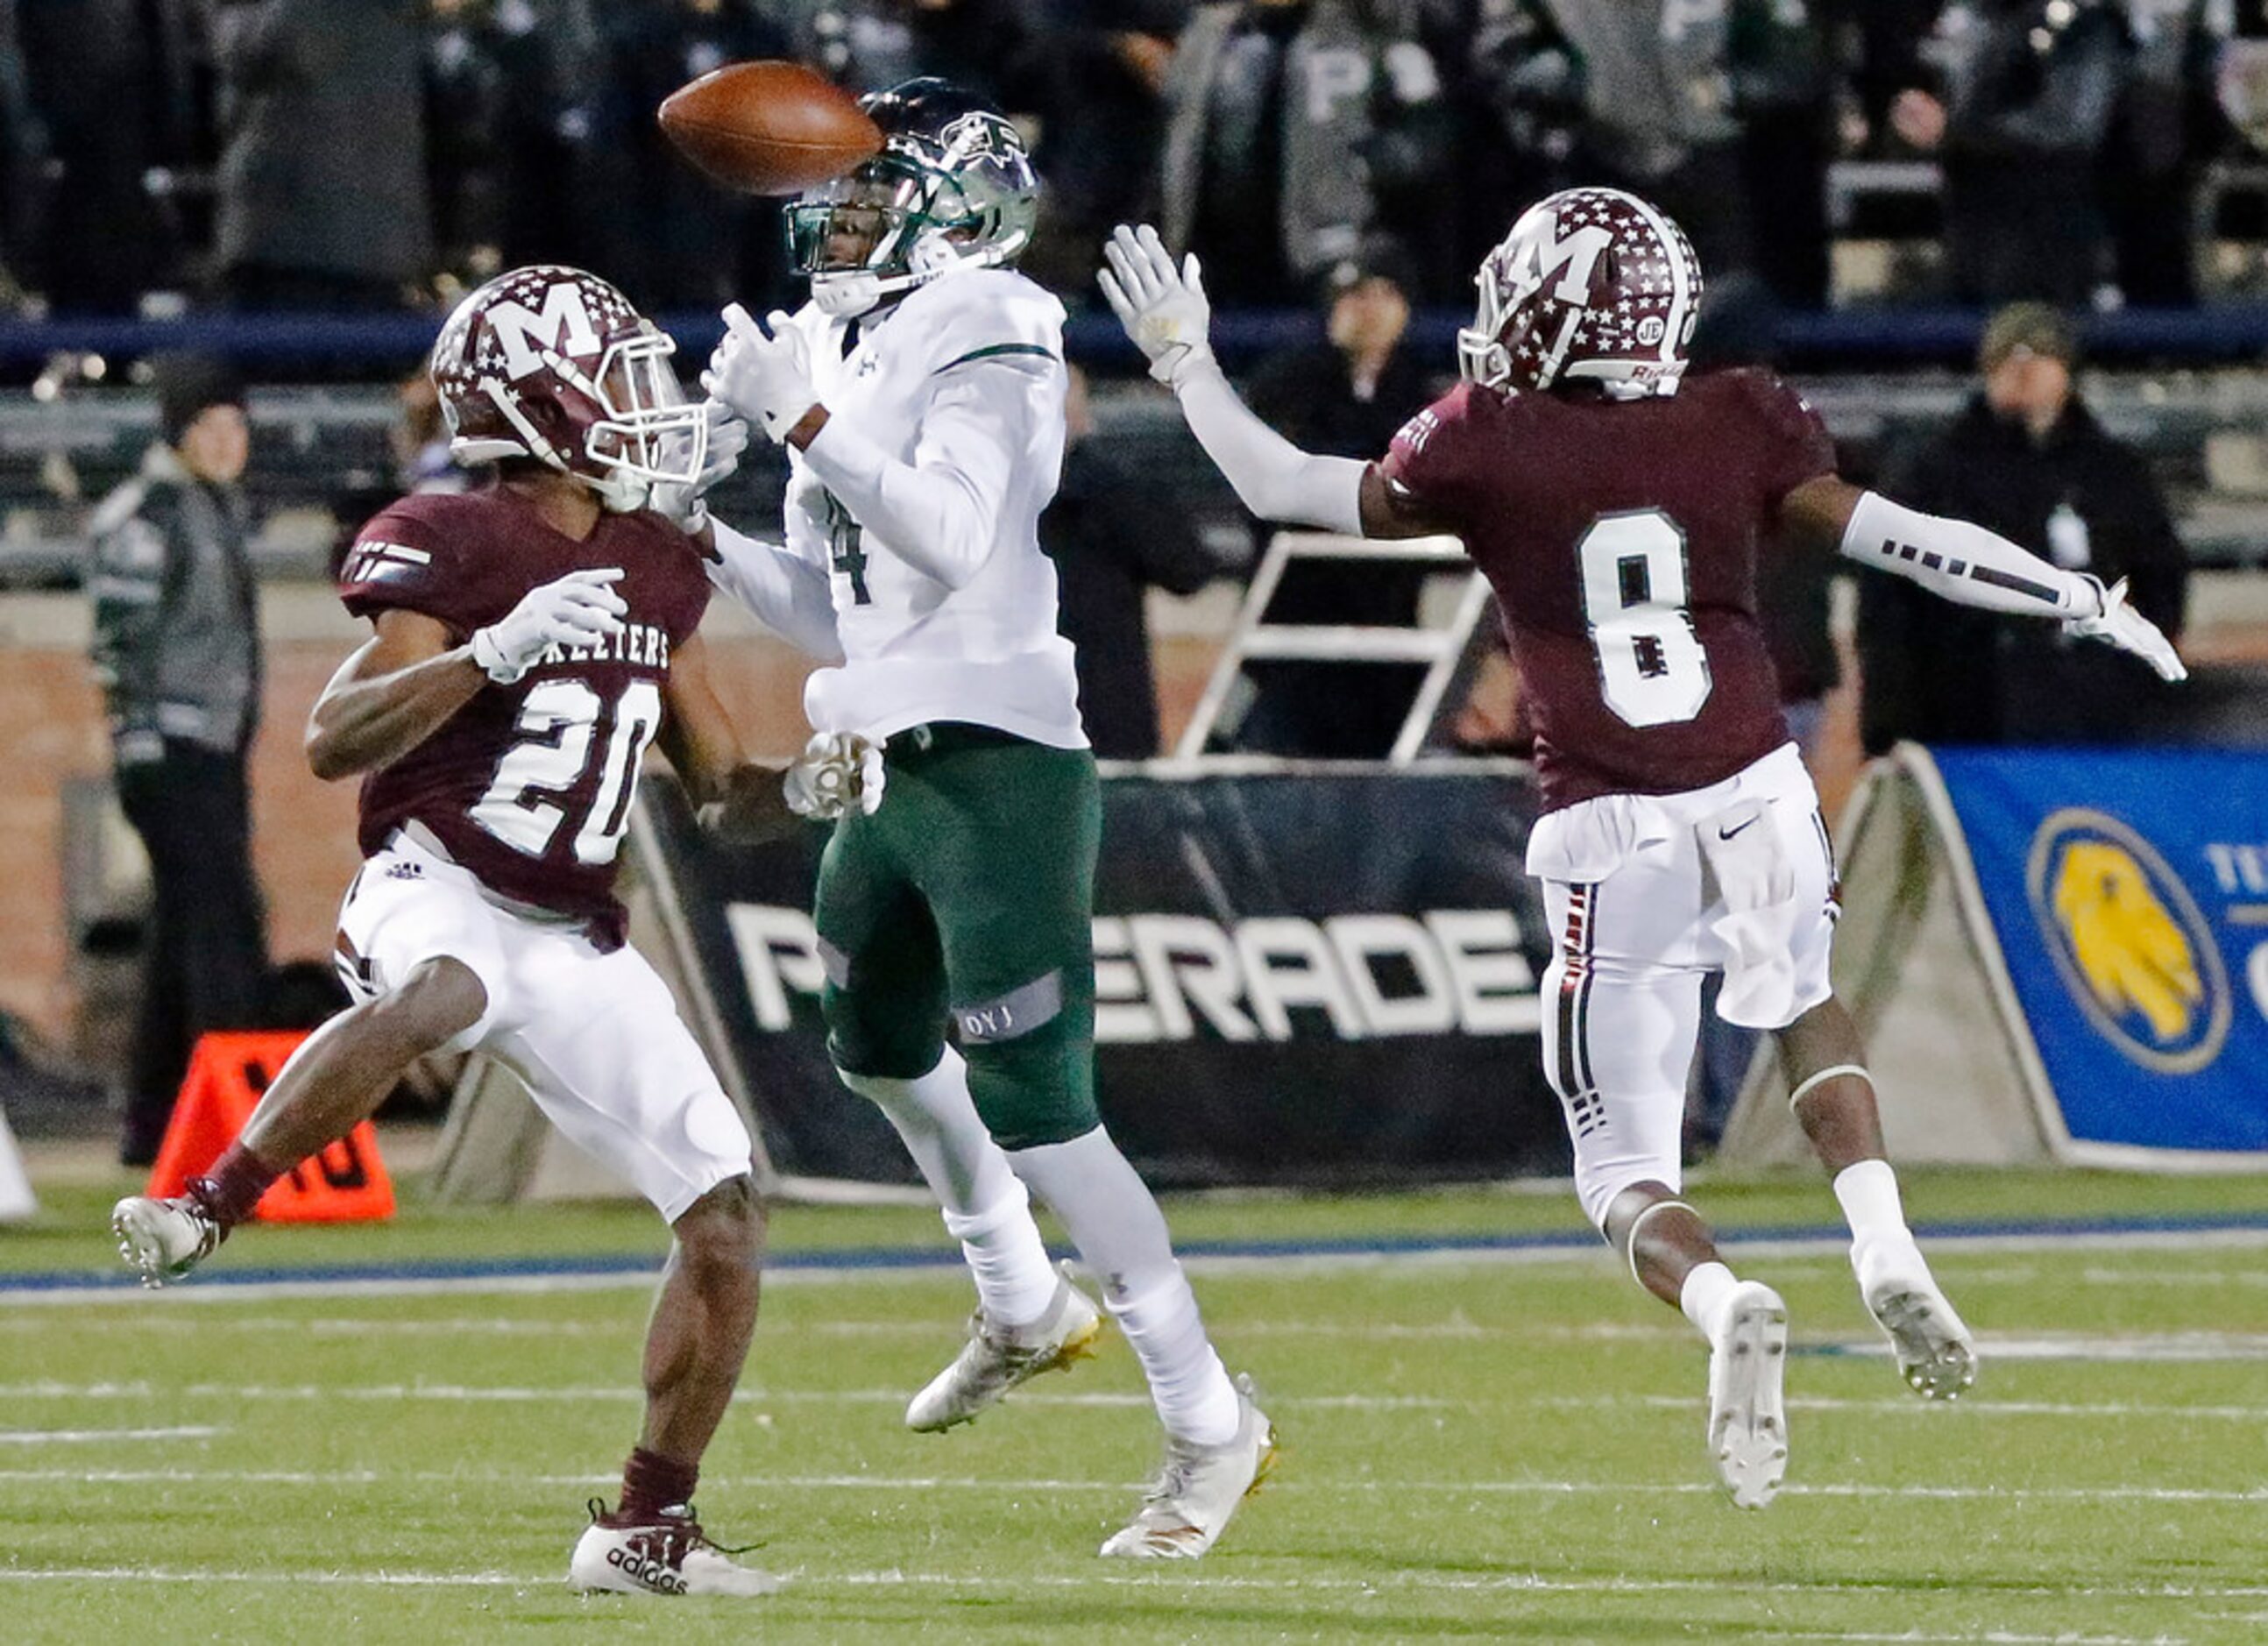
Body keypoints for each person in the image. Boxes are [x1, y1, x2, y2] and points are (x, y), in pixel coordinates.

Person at [1101, 191, 2185, 1508]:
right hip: (1759, 785)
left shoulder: (1488, 438)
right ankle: (1883, 1234)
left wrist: (1185, 360)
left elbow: (1280, 485)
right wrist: (2077, 595)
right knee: (1802, 998)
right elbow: (1907, 541)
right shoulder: (1743, 415)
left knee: (1620, 1171)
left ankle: (1723, 1296)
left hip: (1614, 821)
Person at [111, 265, 875, 1597]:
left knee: (727, 1215)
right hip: (437, 876)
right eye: (621, 378)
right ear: (540, 407)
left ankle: (645, 1528)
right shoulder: (451, 541)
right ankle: (202, 1206)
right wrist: (489, 652)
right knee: (445, 988)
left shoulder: (655, 556)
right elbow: (329, 740)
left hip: (573, 931)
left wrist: (808, 785)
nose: (653, 402)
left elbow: (715, 789)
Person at [698, 79, 1276, 1559]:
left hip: (997, 754)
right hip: (889, 749)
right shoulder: (847, 332)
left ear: (957, 195)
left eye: (869, 184)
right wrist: (688, 519)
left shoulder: (992, 317)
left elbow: (952, 538)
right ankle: (1019, 1296)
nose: (836, 209)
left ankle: (1209, 1417)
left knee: (1039, 1102)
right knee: (873, 1042)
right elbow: (834, 599)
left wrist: (806, 418)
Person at [1860, 303, 2189, 754]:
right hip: (1965, 723)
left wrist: (2135, 687)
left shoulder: (2114, 473)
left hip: (2094, 722)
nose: (2022, 370)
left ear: (2067, 370)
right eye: (2007, 359)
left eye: (2038, 356)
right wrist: (1888, 729)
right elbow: (1887, 604)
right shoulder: (1934, 472)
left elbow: (2160, 580)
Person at [89, 352, 270, 1167]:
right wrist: (143, 751)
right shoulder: (147, 514)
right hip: (172, 749)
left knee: (180, 932)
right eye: (214, 425)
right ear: (179, 431)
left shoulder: (210, 506)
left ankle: (154, 1125)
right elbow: (120, 652)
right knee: (221, 932)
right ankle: (239, 1138)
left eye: (240, 425)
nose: (232, 443)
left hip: (215, 745)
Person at [1044, 363, 1217, 759]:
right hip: (1064, 719)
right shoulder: (985, 495)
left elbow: (1188, 568)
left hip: (1100, 715)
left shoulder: (1110, 491)